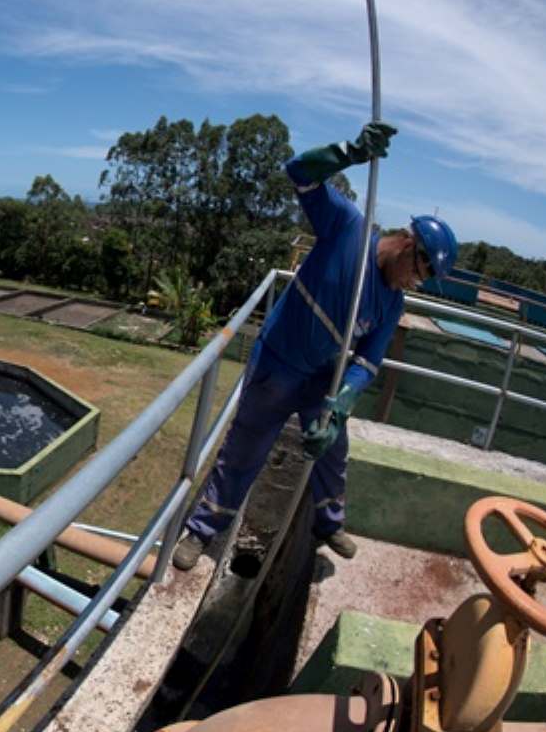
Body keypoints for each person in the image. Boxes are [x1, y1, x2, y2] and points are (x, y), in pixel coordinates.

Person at [172, 122, 458, 571]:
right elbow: (299, 172)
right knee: (245, 449)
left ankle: (328, 524)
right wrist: (348, 152)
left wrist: (340, 405)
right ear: (408, 244)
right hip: (278, 363)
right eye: (420, 273)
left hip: (322, 377)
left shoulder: (392, 303)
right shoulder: (347, 228)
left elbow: (368, 362)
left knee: (333, 449)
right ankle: (203, 530)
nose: (414, 283)